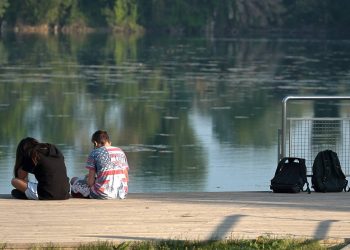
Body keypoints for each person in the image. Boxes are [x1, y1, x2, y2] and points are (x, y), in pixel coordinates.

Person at [70, 130, 129, 199]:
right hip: (122, 193)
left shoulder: (94, 153)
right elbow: (126, 178)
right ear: (109, 142)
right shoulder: (120, 151)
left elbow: (90, 183)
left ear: (95, 143)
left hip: (102, 194)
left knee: (74, 180)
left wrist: (88, 179)